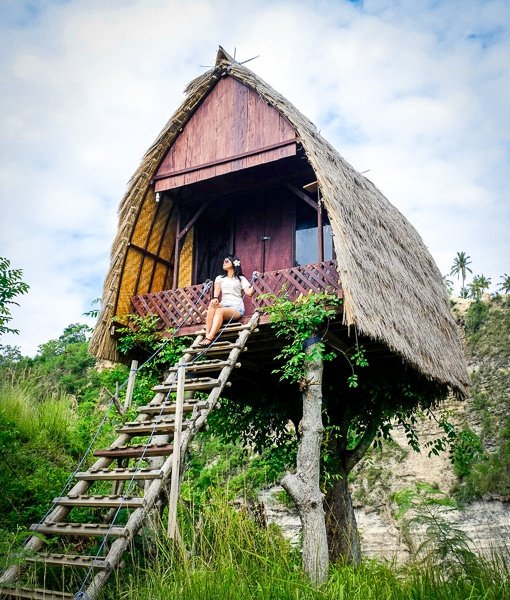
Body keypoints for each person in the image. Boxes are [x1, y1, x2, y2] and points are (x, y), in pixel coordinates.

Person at [200, 255, 255, 345]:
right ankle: (207, 334)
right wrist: (215, 298)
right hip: (224, 303)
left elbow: (249, 292)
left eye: (227, 261)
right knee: (212, 305)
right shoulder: (220, 278)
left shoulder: (241, 279)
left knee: (219, 311)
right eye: (224, 261)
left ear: (233, 263)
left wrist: (255, 282)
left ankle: (210, 337)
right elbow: (217, 289)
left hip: (236, 307)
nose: (224, 263)